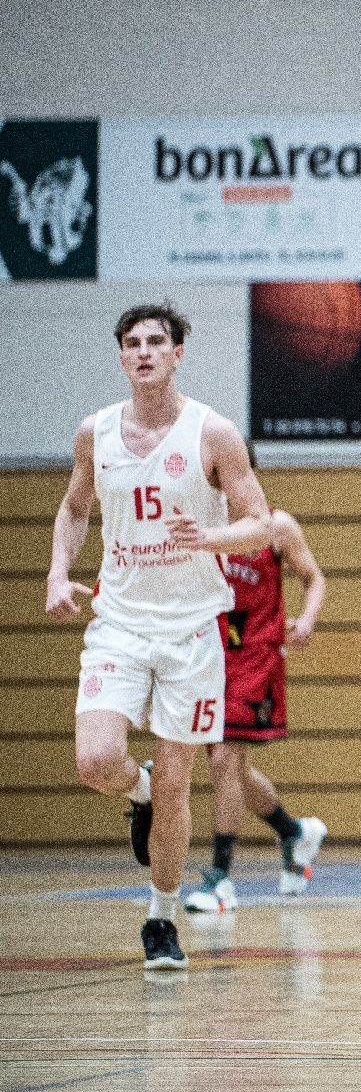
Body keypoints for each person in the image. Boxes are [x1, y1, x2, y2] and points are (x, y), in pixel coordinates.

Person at [45, 303, 272, 971]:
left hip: (191, 630)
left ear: (177, 354)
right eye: (131, 343)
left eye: (155, 342)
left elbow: (259, 521)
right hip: (118, 620)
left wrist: (208, 535)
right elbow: (74, 507)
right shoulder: (97, 432)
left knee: (179, 780)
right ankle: (133, 789)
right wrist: (60, 571)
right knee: (95, 761)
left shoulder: (213, 433)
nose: (143, 352)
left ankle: (161, 918)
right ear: (121, 357)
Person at [184, 492, 329, 915]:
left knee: (226, 758)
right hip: (211, 655)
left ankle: (220, 879)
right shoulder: (203, 526)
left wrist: (306, 620)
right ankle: (293, 832)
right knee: (230, 766)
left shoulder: (276, 525)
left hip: (257, 656)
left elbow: (314, 578)